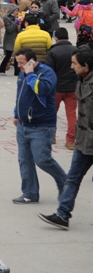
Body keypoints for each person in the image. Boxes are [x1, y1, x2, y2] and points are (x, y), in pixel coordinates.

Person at [39, 49, 93, 230]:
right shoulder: (80, 80)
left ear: (86, 66)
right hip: (83, 140)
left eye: (74, 63)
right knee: (73, 178)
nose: (71, 67)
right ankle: (62, 214)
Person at [12, 48, 66, 204]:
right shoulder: (23, 73)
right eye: (18, 63)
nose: (19, 66)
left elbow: (42, 89)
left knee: (42, 159)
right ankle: (29, 192)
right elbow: (20, 94)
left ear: (32, 61)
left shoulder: (46, 73)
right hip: (23, 124)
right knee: (24, 160)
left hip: (41, 125)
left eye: (22, 63)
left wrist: (30, 74)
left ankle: (65, 181)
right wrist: (17, 113)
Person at [45, 28, 78, 150]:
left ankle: (52, 136)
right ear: (68, 38)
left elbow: (49, 71)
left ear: (56, 38)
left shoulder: (53, 51)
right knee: (71, 114)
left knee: (52, 112)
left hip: (56, 88)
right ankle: (70, 140)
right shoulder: (76, 50)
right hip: (73, 88)